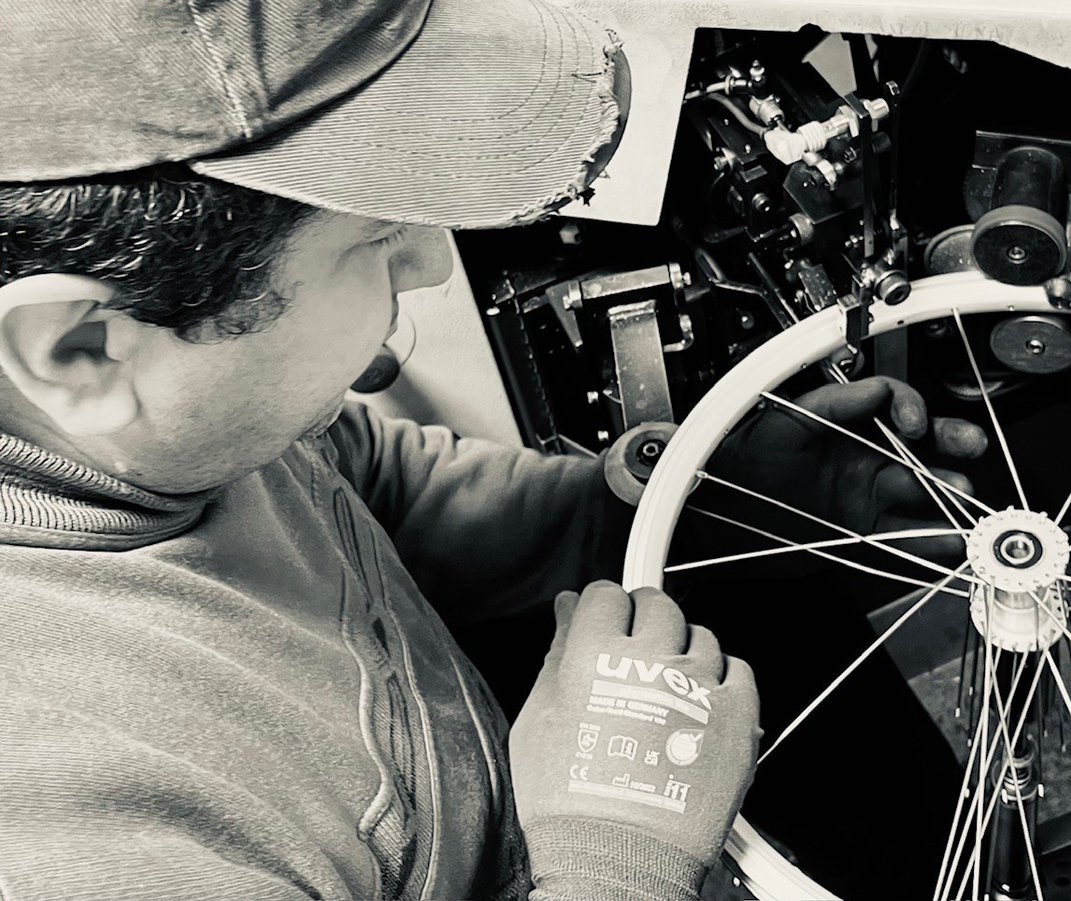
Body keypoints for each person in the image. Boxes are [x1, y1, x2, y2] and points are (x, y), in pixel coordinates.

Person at [0, 1, 986, 898]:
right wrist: (611, 862)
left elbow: (379, 489)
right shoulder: (80, 837)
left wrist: (670, 511)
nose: (432, 261)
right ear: (81, 347)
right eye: (377, 237)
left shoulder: (171, 425)